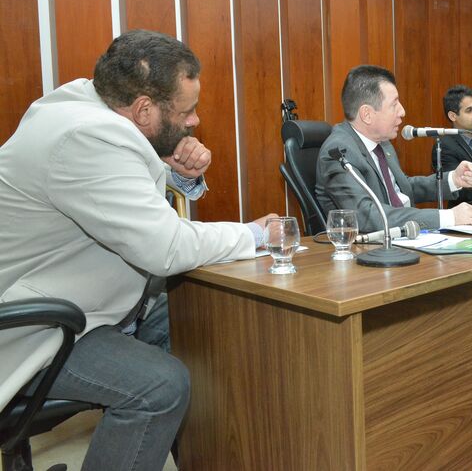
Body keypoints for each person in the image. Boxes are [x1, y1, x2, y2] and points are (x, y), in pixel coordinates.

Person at [0, 30, 277, 471]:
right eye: (186, 111)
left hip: (96, 302)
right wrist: (256, 235)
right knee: (160, 386)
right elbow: (166, 246)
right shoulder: (89, 136)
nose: (194, 121)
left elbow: (125, 202)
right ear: (145, 109)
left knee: (211, 333)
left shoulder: (85, 103)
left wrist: (178, 174)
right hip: (40, 326)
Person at [316, 65, 472, 232]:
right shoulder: (338, 153)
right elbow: (367, 216)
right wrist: (447, 217)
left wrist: (454, 179)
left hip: (407, 237)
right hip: (374, 245)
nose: (402, 111)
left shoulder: (383, 143)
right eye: (394, 104)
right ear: (367, 114)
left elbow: (404, 188)